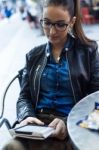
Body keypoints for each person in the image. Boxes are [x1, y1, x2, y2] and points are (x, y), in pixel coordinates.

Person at [17, 0, 99, 143]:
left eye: (60, 24)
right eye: (47, 23)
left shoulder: (89, 52)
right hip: (38, 125)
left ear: (72, 22)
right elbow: (24, 97)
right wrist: (26, 116)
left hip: (74, 125)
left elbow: (96, 100)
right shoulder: (33, 55)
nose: (52, 31)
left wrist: (68, 123)